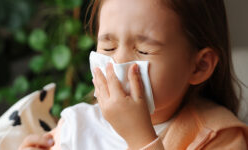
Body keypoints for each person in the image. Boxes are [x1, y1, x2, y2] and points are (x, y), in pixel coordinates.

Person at [19, 0, 248, 149]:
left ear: (199, 66)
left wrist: (141, 139)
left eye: (143, 51)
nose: (118, 62)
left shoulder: (220, 137)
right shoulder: (78, 124)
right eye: (108, 48)